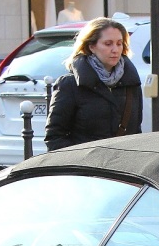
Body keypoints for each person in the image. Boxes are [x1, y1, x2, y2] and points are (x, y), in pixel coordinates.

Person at [45, 17, 142, 151]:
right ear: (91, 46)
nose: (115, 49)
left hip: (122, 166)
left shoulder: (131, 84)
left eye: (119, 43)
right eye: (108, 44)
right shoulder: (70, 84)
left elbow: (136, 133)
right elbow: (55, 137)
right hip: (85, 168)